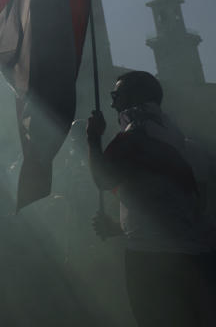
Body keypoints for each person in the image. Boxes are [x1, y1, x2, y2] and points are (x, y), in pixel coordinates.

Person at [87, 70, 215, 327]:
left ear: (134, 97)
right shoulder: (193, 148)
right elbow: (184, 214)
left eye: (116, 95)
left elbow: (103, 180)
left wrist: (93, 138)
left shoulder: (132, 140)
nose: (112, 103)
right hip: (202, 260)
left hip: (151, 263)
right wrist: (120, 227)